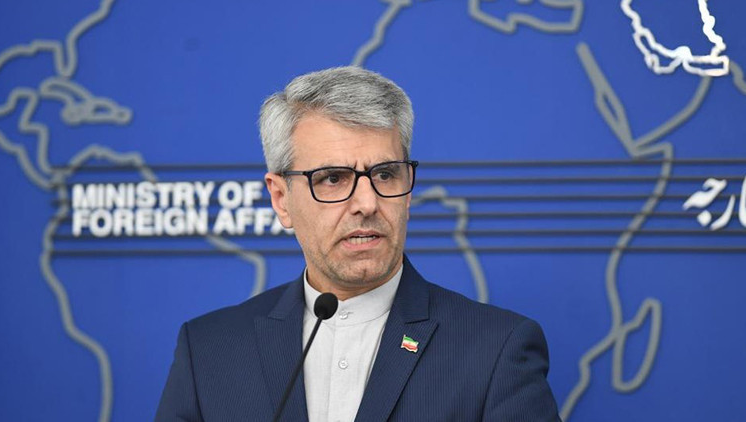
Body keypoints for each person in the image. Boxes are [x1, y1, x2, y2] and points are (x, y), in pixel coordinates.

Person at [155, 66, 561, 421]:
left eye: (385, 174)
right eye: (333, 178)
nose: (367, 203)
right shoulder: (208, 351)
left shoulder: (496, 350)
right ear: (281, 199)